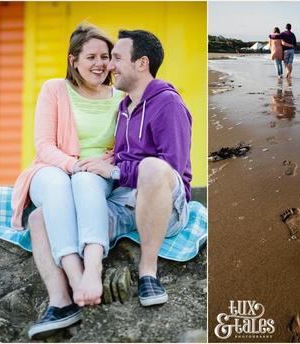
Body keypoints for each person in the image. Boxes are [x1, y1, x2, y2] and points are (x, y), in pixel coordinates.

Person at [10, 23, 123, 339]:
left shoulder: (122, 99)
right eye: (91, 57)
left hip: (95, 174)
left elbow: (124, 151)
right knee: (61, 183)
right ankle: (78, 279)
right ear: (74, 60)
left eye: (105, 56)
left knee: (74, 191)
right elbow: (44, 146)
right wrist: (73, 165)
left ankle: (91, 272)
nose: (99, 64)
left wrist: (102, 165)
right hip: (51, 169)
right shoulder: (54, 89)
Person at [79, 29, 192, 307]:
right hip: (125, 204)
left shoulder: (168, 103)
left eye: (117, 58)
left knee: (153, 168)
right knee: (52, 216)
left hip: (166, 207)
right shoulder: (124, 107)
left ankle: (148, 273)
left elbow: (171, 170)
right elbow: (123, 157)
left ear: (142, 63)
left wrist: (117, 171)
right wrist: (106, 163)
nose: (109, 66)